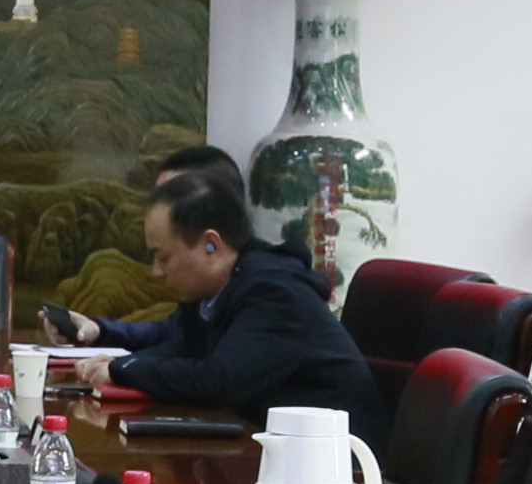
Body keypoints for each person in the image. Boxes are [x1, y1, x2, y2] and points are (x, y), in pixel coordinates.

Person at [75, 169, 365, 414]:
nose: (156, 271)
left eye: (163, 257)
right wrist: (117, 364)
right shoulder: (214, 290)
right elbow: (181, 347)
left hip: (336, 457)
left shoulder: (275, 292)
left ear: (211, 245)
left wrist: (123, 370)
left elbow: (221, 381)